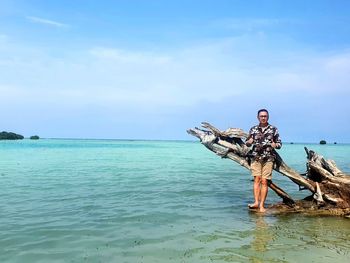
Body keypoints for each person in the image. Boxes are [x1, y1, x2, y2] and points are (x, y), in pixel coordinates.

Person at [245, 109, 282, 213]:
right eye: (261, 116)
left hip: (269, 158)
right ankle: (256, 203)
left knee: (265, 181)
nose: (263, 118)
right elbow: (247, 143)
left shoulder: (273, 129)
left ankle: (262, 206)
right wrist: (249, 142)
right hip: (255, 157)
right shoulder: (253, 129)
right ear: (258, 117)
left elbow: (279, 144)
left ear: (268, 117)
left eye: (265, 116)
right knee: (257, 179)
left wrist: (275, 145)